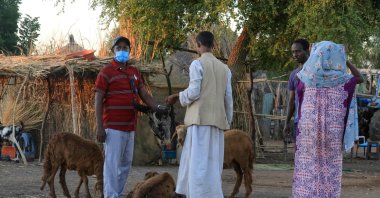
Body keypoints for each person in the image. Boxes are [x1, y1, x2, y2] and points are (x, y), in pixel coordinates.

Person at [95, 36, 167, 198]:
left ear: (129, 51)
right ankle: (111, 195)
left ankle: (117, 193)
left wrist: (157, 107)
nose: (122, 51)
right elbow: (98, 99)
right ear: (113, 50)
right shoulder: (106, 72)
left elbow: (143, 94)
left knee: (126, 164)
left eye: (125, 48)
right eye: (118, 48)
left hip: (130, 126)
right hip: (113, 127)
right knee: (112, 165)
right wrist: (100, 126)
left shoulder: (134, 72)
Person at [166, 31, 233, 198]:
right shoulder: (225, 69)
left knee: (197, 164)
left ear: (197, 45)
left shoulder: (197, 64)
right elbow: (228, 99)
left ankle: (194, 194)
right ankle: (189, 193)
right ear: (213, 45)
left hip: (199, 123)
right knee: (212, 164)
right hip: (217, 124)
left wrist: (177, 96)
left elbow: (194, 92)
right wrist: (227, 121)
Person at [292, 41, 363, 197]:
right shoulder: (343, 80)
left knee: (308, 168)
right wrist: (346, 59)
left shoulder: (305, 78)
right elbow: (359, 77)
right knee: (330, 169)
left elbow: (299, 99)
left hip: (308, 134)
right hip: (333, 135)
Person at [283, 39, 310, 143]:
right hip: (299, 121)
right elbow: (292, 100)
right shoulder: (294, 75)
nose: (295, 55)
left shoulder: (316, 73)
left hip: (314, 121)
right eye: (293, 52)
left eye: (298, 51)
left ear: (307, 50)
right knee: (299, 155)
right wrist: (287, 122)